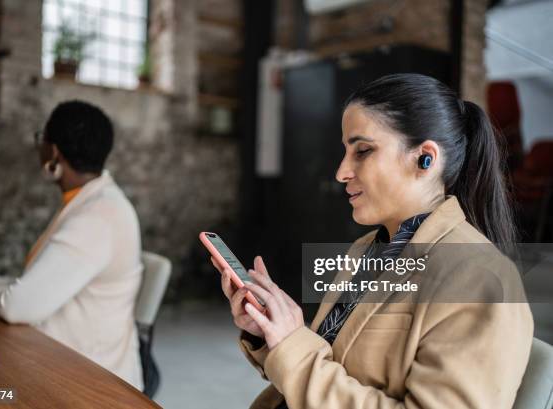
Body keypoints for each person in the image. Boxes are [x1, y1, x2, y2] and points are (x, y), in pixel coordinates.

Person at [212, 74, 533, 408]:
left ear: (425, 158)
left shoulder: (482, 280)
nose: (341, 172)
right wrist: (271, 335)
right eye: (346, 152)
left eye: (363, 151)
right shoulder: (368, 249)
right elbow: (330, 365)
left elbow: (311, 367)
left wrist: (293, 345)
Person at [0, 100, 144, 391]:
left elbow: (18, 306)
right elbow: (36, 288)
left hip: (92, 384)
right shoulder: (92, 201)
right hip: (66, 360)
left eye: (42, 139)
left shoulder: (97, 217)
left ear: (53, 152)